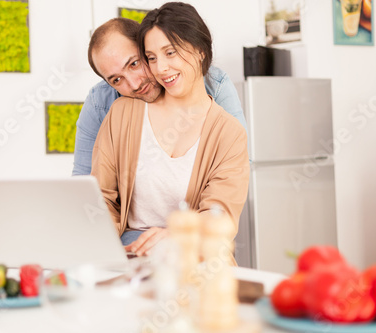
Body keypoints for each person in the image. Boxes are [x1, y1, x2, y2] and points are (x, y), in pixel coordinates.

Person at [90, 2, 250, 258]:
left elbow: (221, 217)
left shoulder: (229, 133)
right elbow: (102, 197)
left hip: (193, 261)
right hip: (132, 259)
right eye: (151, 58)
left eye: (170, 52)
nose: (161, 68)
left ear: (199, 49)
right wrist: (100, 248)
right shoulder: (122, 114)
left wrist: (176, 235)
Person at [72, 17, 248, 176]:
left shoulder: (213, 84)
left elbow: (239, 165)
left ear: (148, 49)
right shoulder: (101, 103)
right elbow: (84, 180)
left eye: (134, 64)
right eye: (117, 79)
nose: (134, 84)